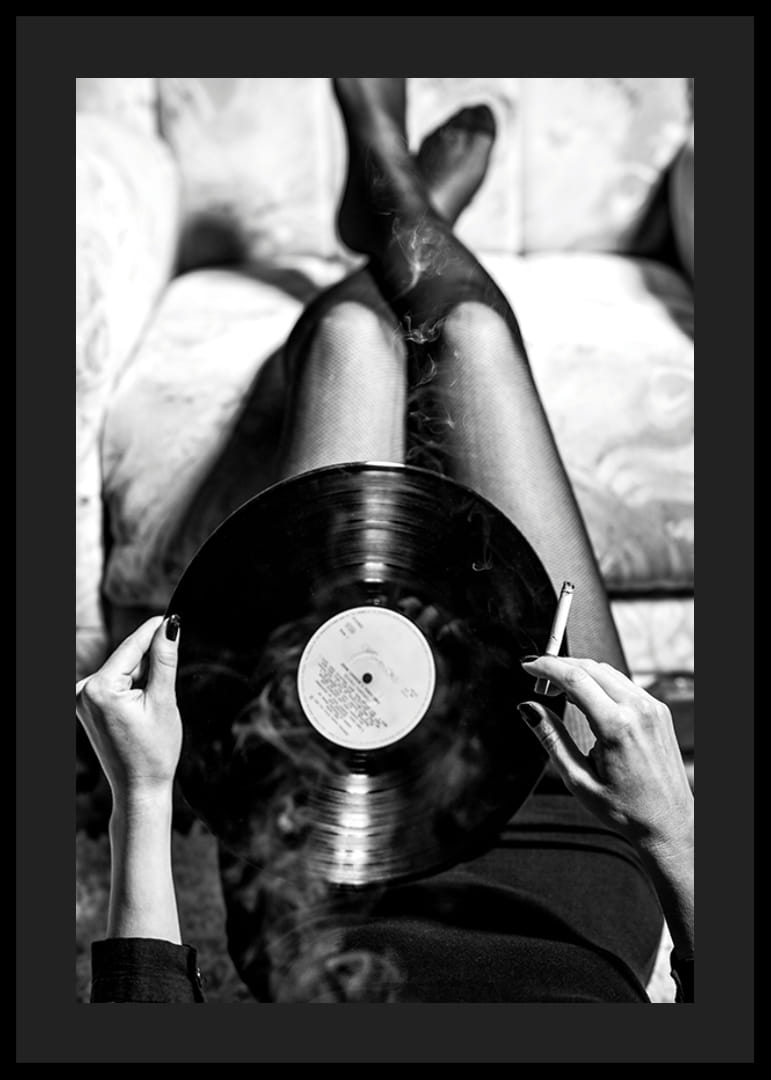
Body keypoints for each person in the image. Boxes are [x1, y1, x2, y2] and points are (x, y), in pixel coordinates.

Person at [76, 78, 694, 1004]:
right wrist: (673, 835)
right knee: (472, 334)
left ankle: (390, 185)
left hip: (324, 859)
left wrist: (146, 798)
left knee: (356, 346)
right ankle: (402, 196)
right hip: (574, 816)